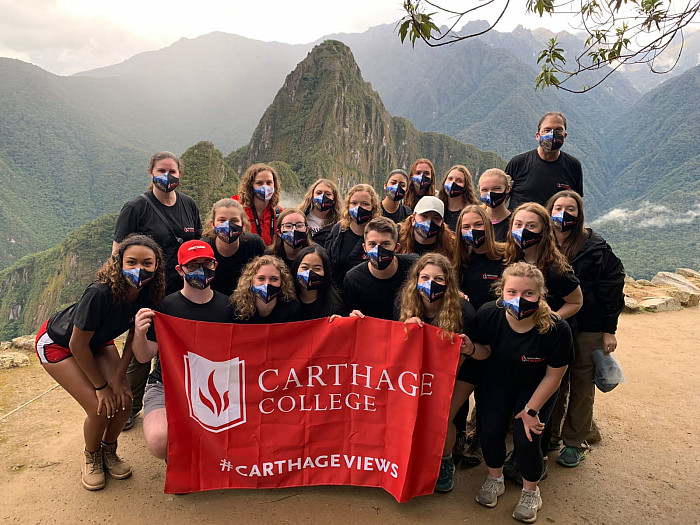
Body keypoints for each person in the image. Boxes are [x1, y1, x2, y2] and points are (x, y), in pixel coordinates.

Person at [35, 234, 165, 490]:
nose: (139, 269)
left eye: (147, 263)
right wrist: (101, 386)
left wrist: (118, 377)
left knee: (125, 399)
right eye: (132, 262)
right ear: (119, 263)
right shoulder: (100, 293)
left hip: (97, 341)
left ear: (157, 265)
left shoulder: (149, 292)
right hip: (59, 344)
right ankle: (91, 456)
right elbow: (76, 344)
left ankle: (109, 450)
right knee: (100, 406)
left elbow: (134, 335)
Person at [474, 262, 573, 523]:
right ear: (502, 292)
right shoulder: (489, 314)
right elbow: (485, 350)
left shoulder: (556, 328)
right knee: (491, 430)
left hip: (537, 383)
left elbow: (555, 374)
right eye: (512, 292)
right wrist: (470, 349)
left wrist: (531, 410)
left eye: (528, 293)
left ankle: (531, 491)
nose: (519, 299)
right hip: (498, 378)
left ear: (540, 295)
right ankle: (495, 477)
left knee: (527, 437)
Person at [113, 151, 202, 431]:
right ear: (150, 172)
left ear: (180, 174)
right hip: (148, 290)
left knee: (176, 347)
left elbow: (195, 246)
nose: (168, 176)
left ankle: (171, 401)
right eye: (162, 170)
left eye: (173, 171)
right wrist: (125, 290)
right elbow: (119, 253)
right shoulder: (136, 208)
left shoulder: (188, 205)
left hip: (183, 290)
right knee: (140, 348)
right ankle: (130, 407)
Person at [131, 240, 234, 460]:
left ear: (215, 265)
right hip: (168, 384)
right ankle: (180, 461)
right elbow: (143, 356)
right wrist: (139, 334)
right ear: (179, 270)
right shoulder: (165, 307)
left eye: (206, 264)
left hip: (214, 384)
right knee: (160, 440)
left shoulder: (229, 307)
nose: (201, 270)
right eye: (192, 265)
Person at [545, 190, 625, 468]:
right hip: (556, 323)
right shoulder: (543, 242)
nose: (563, 214)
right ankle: (551, 434)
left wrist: (609, 329)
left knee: (581, 384)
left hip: (587, 326)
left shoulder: (595, 247)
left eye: (571, 209)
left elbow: (612, 288)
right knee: (553, 381)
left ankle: (574, 442)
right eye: (558, 207)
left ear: (579, 215)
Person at [395, 253, 486, 494]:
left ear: (448, 282)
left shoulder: (464, 310)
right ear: (415, 279)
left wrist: (445, 380)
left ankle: (445, 461)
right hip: (425, 370)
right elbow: (395, 346)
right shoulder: (404, 304)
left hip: (463, 370)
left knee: (441, 416)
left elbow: (482, 353)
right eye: (424, 277)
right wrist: (406, 332)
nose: (430, 283)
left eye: (438, 278)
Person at [450, 204, 507, 464]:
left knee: (489, 396)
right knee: (458, 396)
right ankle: (459, 439)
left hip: (498, 338)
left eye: (477, 225)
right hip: (467, 341)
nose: (471, 231)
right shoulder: (461, 261)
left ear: (488, 225)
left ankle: (480, 440)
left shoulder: (505, 257)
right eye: (466, 227)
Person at [343, 217, 418, 320]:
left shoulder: (413, 266)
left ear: (396, 247)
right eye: (372, 244)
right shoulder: (353, 279)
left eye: (385, 244)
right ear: (364, 248)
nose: (378, 250)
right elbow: (349, 313)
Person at [506, 112, 583, 210]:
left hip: (554, 225)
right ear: (538, 136)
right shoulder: (518, 163)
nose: (552, 135)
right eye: (547, 130)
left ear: (565, 136)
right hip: (522, 224)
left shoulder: (573, 165)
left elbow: (576, 204)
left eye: (558, 131)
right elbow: (502, 198)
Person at [201, 198, 265, 297]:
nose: (228, 225)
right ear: (212, 224)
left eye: (234, 221)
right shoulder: (204, 249)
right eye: (222, 220)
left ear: (243, 224)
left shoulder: (254, 245)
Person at [325, 183, 381, 289]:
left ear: (373, 207)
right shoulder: (339, 230)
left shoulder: (379, 235)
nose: (358, 208)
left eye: (365, 204)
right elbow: (328, 261)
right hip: (338, 293)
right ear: (348, 205)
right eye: (354, 203)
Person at [231, 255, 300, 323]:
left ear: (282, 282)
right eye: (261, 278)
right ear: (250, 281)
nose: (267, 284)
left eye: (274, 279)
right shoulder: (237, 310)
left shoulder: (292, 309)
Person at [234, 163, 282, 246]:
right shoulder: (237, 211)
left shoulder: (279, 213)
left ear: (274, 185)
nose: (265, 187)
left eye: (269, 183)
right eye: (259, 183)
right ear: (250, 185)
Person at [292, 245, 344, 320]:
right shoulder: (286, 302)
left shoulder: (336, 305)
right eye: (305, 267)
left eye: (317, 268)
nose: (310, 272)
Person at [298, 178, 342, 247]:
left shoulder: (339, 225)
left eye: (327, 194)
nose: (322, 196)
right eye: (318, 193)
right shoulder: (299, 217)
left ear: (334, 199)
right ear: (312, 196)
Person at [436, 165, 479, 231]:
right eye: (450, 179)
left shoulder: (472, 212)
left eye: (459, 181)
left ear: (466, 186)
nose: (453, 183)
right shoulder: (437, 209)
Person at [478, 168, 513, 242]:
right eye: (485, 190)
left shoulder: (515, 224)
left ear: (507, 189)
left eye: (496, 189)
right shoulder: (474, 221)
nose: (490, 193)